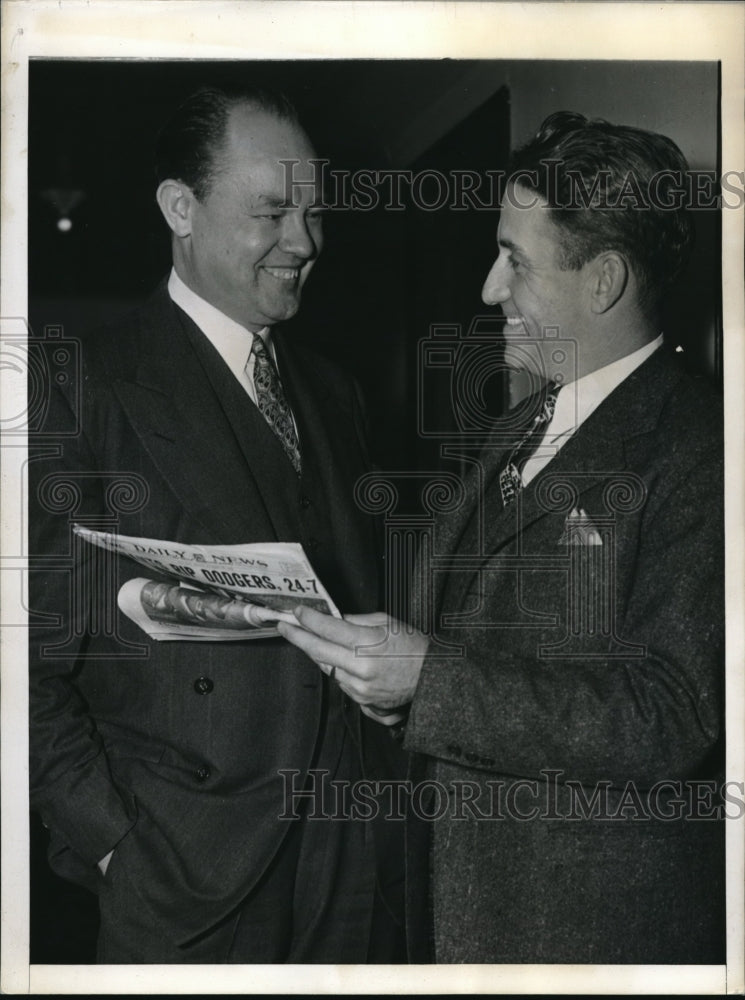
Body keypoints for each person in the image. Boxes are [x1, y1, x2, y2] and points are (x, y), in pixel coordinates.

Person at [279, 112, 725, 963]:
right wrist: (392, 681)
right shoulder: (517, 425)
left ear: (602, 281)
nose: (488, 289)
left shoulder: (701, 449)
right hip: (457, 907)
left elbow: (671, 714)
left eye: (514, 260)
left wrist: (428, 679)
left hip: (584, 935)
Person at [29, 85, 405, 963]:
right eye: (271, 212)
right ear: (179, 208)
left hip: (355, 867)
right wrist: (112, 840)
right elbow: (20, 661)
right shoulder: (74, 383)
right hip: (187, 881)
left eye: (314, 212)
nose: (304, 243)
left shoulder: (337, 392)